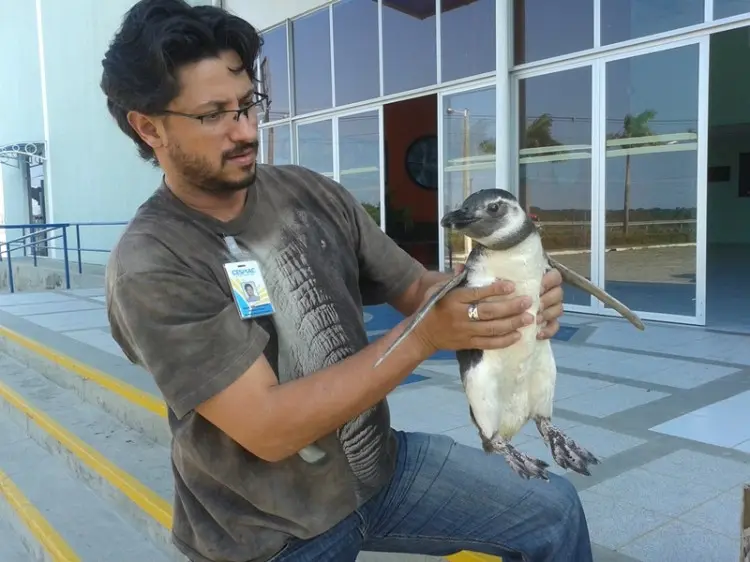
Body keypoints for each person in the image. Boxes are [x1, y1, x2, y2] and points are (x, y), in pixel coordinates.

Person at [100, 1, 593, 561]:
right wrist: (428, 336)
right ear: (148, 127)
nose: (244, 130)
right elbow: (269, 428)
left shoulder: (311, 194)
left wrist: (502, 300)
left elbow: (415, 288)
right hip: (265, 532)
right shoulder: (152, 262)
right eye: (213, 114)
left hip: (377, 473)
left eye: (248, 105)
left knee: (554, 512)